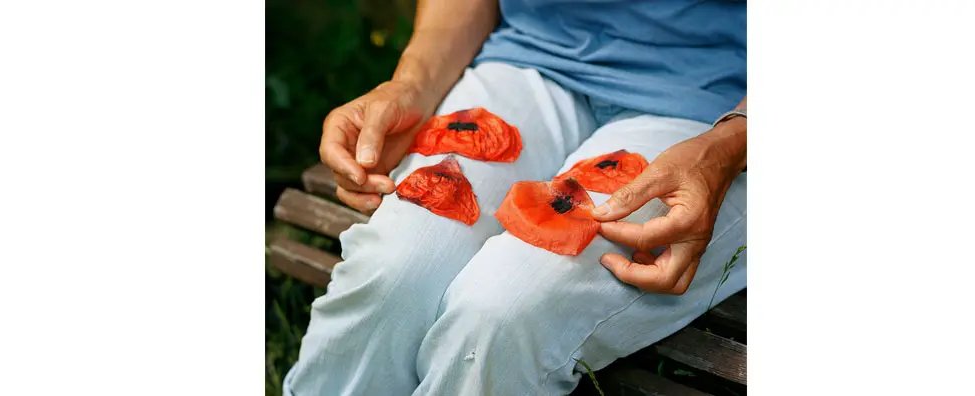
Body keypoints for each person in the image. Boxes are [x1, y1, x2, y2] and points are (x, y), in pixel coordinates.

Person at [284, 0, 746, 394]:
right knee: (393, 271)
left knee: (499, 313)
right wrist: (412, 84)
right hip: (532, 58)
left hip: (716, 113)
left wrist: (729, 146)